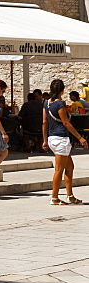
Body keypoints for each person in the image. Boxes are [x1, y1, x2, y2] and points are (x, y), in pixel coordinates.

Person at [43, 78, 88, 206]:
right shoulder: (59, 104)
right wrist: (80, 137)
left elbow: (44, 122)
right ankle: (54, 198)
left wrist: (45, 140)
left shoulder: (46, 103)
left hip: (52, 138)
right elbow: (66, 123)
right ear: (62, 91)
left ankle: (70, 196)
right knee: (59, 170)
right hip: (60, 138)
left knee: (69, 167)